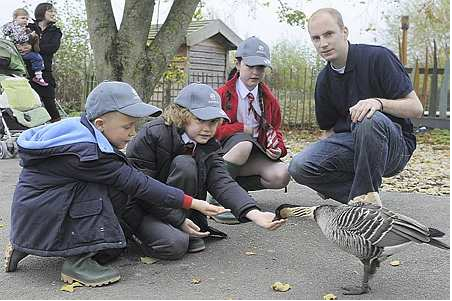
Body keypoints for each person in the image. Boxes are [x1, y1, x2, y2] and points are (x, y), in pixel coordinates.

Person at [5, 81, 227, 287]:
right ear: (100, 124)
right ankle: (77, 262)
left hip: (35, 218)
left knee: (107, 208)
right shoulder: (87, 155)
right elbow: (138, 183)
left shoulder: (80, 131)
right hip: (47, 212)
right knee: (99, 191)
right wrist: (192, 202)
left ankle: (23, 246)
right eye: (127, 126)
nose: (133, 133)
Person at [126, 83, 286, 257]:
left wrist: (254, 214)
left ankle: (185, 228)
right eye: (200, 120)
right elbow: (141, 189)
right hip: (144, 207)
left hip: (177, 209)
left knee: (178, 242)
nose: (207, 129)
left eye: (213, 122)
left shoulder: (209, 144)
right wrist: (177, 219)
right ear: (182, 115)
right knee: (174, 245)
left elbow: (222, 182)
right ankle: (138, 235)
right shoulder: (152, 135)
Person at [288, 8, 423, 206]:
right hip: (353, 145)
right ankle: (361, 201)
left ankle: (366, 197)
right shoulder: (324, 80)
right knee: (299, 166)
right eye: (316, 38)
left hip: (394, 146)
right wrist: (321, 172)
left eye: (329, 34)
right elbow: (329, 132)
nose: (323, 43)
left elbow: (416, 108)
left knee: (367, 117)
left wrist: (378, 103)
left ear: (344, 31)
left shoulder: (378, 58)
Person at [213, 36, 290, 224]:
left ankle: (237, 191)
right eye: (250, 66)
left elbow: (275, 130)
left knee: (282, 175)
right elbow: (210, 131)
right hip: (221, 154)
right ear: (238, 64)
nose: (255, 72)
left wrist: (279, 148)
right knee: (244, 144)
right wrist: (240, 128)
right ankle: (218, 199)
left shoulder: (269, 100)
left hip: (253, 153)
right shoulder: (221, 95)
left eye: (261, 68)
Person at [27, 2, 62, 122]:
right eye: (50, 11)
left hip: (44, 71)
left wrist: (33, 46)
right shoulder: (29, 27)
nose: (54, 13)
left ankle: (57, 127)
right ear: (42, 12)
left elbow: (52, 48)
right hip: (26, 70)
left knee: (49, 101)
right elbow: (19, 44)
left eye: (54, 11)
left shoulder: (56, 31)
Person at [2, 8, 48, 86]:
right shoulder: (14, 27)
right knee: (37, 58)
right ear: (15, 18)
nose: (25, 20)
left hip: (17, 52)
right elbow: (18, 39)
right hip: (15, 52)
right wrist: (30, 36)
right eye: (22, 18)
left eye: (26, 19)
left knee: (34, 59)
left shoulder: (22, 28)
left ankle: (35, 76)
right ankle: (38, 76)